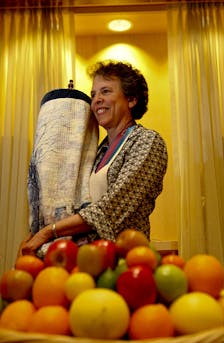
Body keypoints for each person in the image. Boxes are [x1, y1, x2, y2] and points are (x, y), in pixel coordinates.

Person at [18, 60, 168, 257]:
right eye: (93, 94)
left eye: (105, 91)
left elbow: (110, 208)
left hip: (125, 260)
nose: (96, 100)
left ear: (131, 99)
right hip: (90, 259)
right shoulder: (98, 152)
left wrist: (48, 231)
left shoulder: (147, 142)